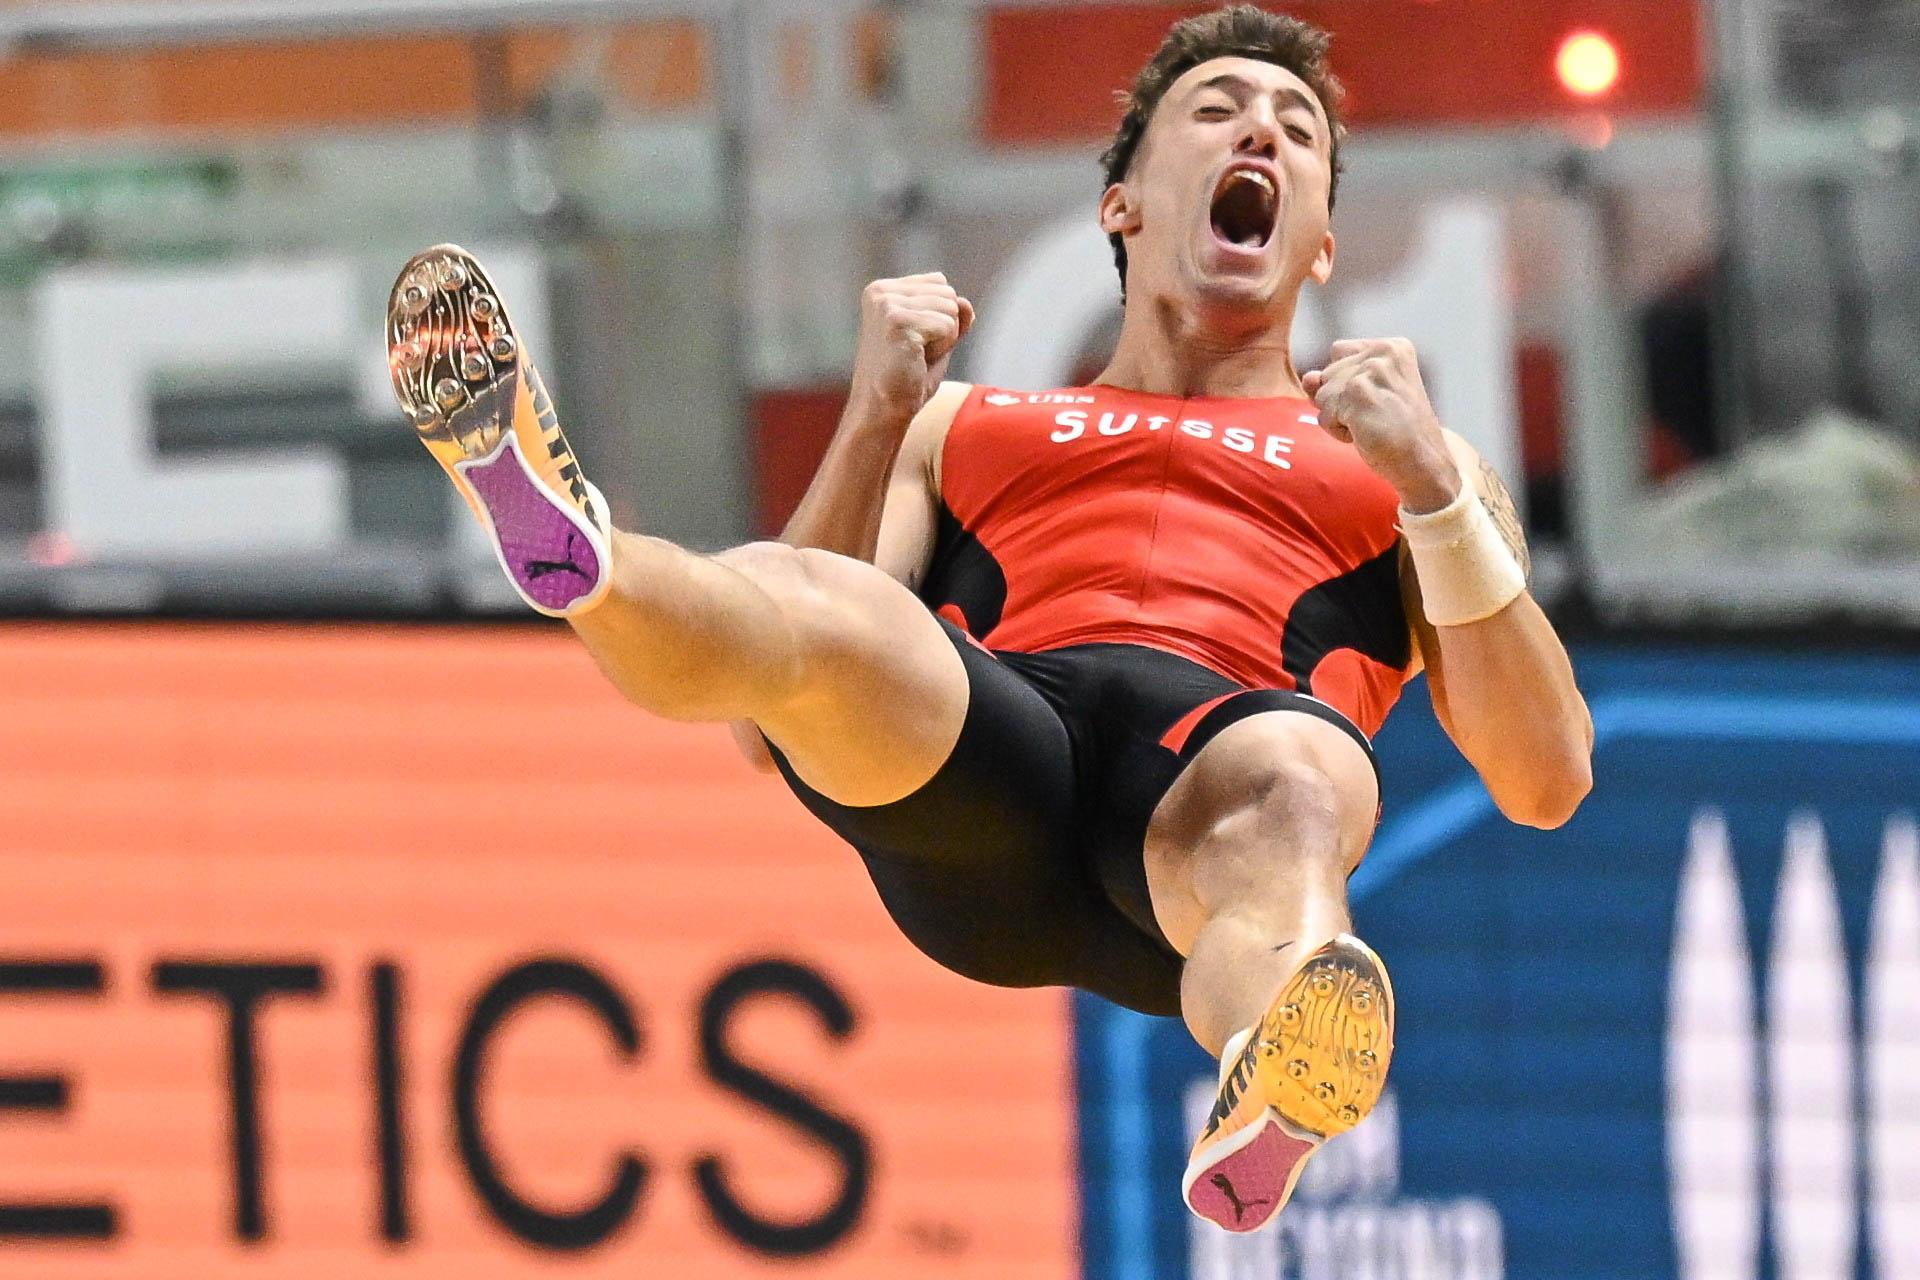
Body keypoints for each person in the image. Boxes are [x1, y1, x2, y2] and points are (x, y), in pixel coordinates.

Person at [383, 4, 1592, 1234]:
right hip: (994, 761)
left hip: (1200, 812)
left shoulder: (1411, 468)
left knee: (1293, 779)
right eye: (1219, 111)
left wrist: (1434, 487)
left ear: (1322, 242)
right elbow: (765, 725)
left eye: (1299, 132)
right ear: (1122, 204)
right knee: (838, 610)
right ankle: (586, 555)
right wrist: (872, 413)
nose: (1263, 137)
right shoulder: (957, 422)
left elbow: (1546, 776)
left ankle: (1274, 1065)